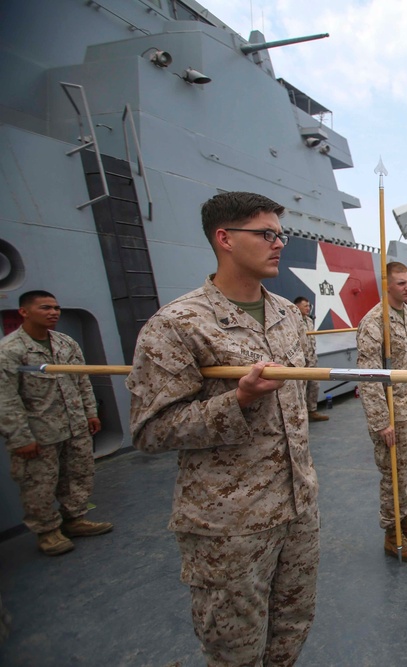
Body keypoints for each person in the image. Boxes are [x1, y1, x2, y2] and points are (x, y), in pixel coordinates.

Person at [127, 192, 319, 665]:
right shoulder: (177, 324)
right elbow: (152, 431)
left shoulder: (288, 316)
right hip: (229, 524)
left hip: (298, 506)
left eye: (280, 234)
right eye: (266, 234)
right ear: (225, 238)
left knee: (292, 627)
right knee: (235, 649)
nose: (278, 244)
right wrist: (238, 400)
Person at [0, 290, 113, 557]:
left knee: (78, 474)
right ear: (24, 312)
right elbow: (5, 398)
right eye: (45, 308)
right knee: (38, 483)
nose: (54, 312)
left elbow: (82, 379)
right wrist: (20, 438)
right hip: (38, 432)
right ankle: (47, 531)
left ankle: (75, 518)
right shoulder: (10, 351)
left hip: (75, 425)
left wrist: (90, 412)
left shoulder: (66, 344)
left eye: (56, 307)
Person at [357, 262, 407, 564]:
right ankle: (393, 535)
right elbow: (367, 376)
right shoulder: (376, 322)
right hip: (394, 415)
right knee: (395, 477)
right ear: (387, 285)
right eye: (401, 283)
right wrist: (381, 422)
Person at [294, 296, 328, 422]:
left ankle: (312, 411)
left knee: (314, 385)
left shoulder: (309, 321)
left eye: (309, 306)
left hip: (312, 358)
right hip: (299, 360)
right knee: (300, 387)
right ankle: (299, 414)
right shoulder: (292, 320)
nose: (308, 308)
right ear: (297, 306)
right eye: (305, 306)